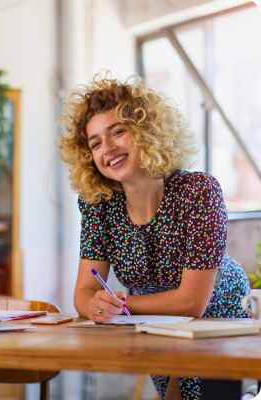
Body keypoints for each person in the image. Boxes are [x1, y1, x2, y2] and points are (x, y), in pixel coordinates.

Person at [57, 73, 250, 400]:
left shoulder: (198, 192)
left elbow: (192, 301)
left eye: (118, 131)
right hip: (153, 324)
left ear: (145, 131)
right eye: (96, 143)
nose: (108, 148)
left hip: (219, 317)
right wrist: (96, 306)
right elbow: (83, 292)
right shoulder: (99, 205)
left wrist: (119, 307)